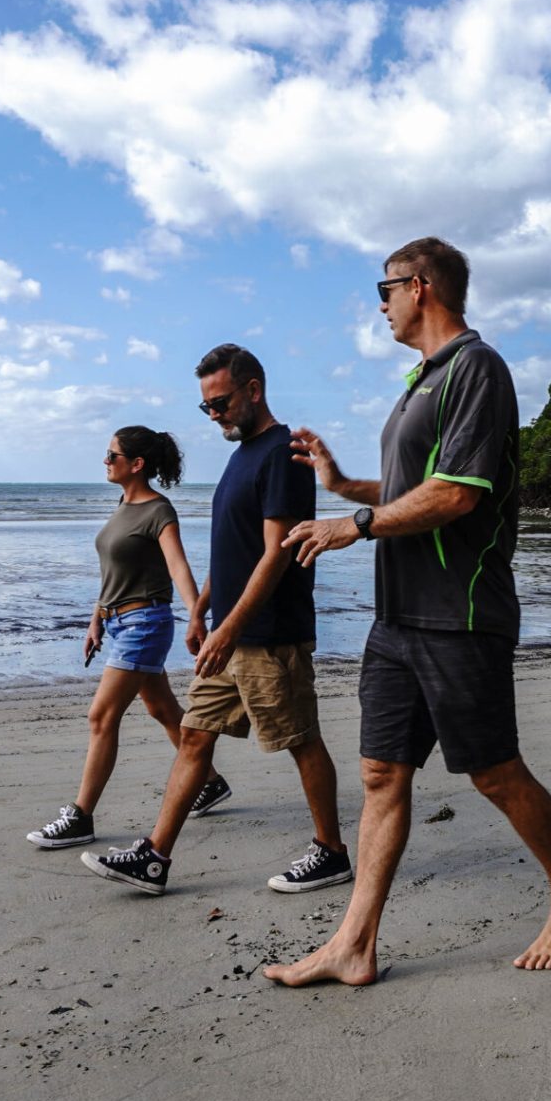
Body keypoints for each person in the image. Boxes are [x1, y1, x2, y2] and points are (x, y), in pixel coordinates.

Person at [259, 236, 551, 984]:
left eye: (384, 291)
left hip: (460, 611)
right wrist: (348, 487)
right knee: (382, 772)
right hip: (398, 617)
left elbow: (459, 494)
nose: (379, 306)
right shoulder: (423, 379)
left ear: (420, 286)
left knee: (495, 772)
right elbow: (417, 486)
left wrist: (355, 526)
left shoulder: (477, 368)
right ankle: (354, 942)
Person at [80, 345, 350, 896]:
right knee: (194, 739)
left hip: (271, 632)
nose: (214, 415)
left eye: (220, 401)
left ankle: (331, 851)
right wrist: (203, 608)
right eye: (205, 407)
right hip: (229, 630)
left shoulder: (283, 453)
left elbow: (276, 553)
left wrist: (229, 627)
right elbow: (237, 549)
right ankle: (156, 856)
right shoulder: (242, 454)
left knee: (300, 739)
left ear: (254, 389)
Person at [25, 427, 197, 850]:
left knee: (101, 716)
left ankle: (80, 817)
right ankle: (208, 781)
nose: (105, 461)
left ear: (136, 464)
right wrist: (96, 618)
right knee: (161, 708)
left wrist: (198, 619)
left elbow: (178, 568)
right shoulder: (123, 504)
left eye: (111, 455)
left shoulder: (159, 511)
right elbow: (115, 575)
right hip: (119, 622)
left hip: (145, 625)